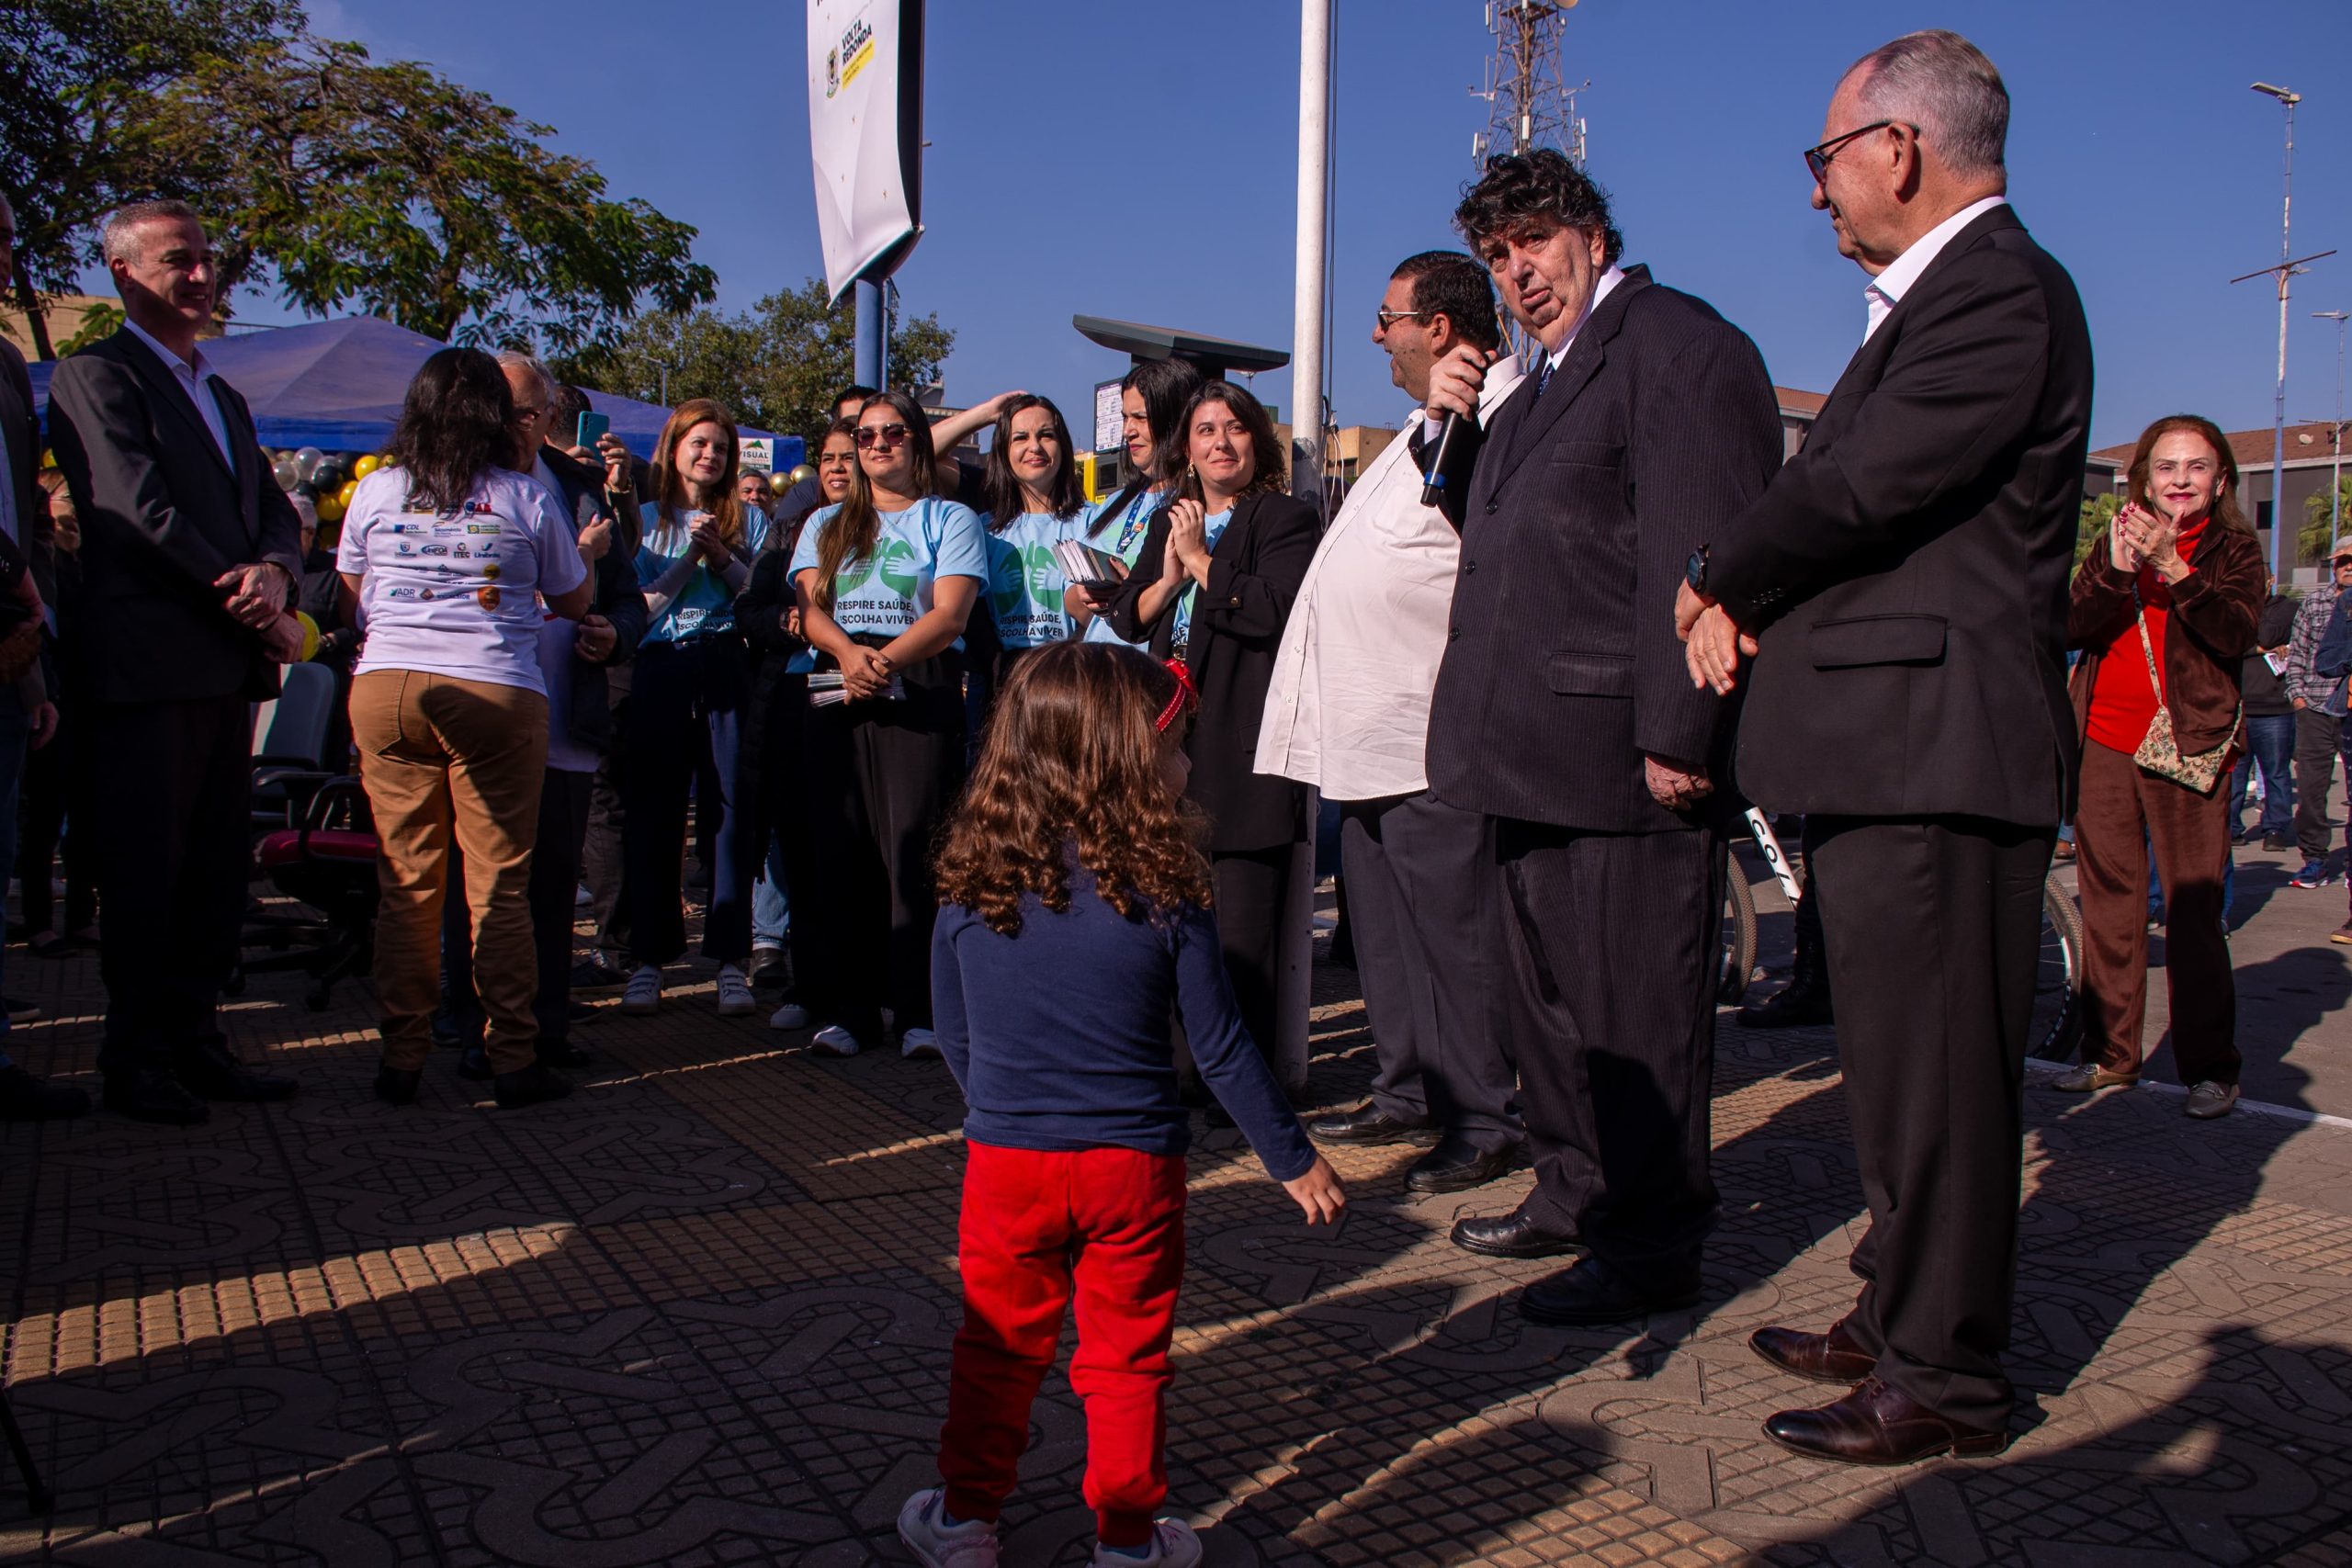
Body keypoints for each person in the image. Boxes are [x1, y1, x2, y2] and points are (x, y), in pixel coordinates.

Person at [1676, 31, 2093, 1464]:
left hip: (1936, 748)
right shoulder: (1942, 296)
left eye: (1827, 156)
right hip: (1887, 743)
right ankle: (1896, 1309)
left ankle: (1945, 1374)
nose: (1817, 192)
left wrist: (1718, 571)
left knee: (1942, 1083)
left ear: (1901, 149)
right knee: (1899, 1070)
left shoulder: (1999, 289)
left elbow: (1863, 482)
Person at [1422, 150, 1780, 1321]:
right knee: (1550, 1012)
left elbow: (1697, 552)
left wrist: (1680, 733)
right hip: (1524, 756)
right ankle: (1573, 1192)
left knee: (1637, 1016)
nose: (1516, 272)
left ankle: (1650, 1245)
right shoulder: (1537, 383)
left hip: (1624, 761)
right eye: (1496, 255)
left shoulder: (1676, 347)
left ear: (1590, 233)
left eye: (1533, 240)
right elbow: (1512, 535)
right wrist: (1450, 427)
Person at [900, 641, 1344, 1568]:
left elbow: (955, 1035)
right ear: (1123, 764)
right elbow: (1220, 1046)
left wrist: (1002, 1112)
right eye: (1175, 746)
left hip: (1008, 1166)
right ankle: (1130, 1542)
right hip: (1136, 1170)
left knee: (998, 1348)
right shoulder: (1170, 890)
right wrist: (1291, 1156)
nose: (1189, 761)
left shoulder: (969, 886)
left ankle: (965, 1522)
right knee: (1126, 1359)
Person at [1259, 251, 1526, 1193]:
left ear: (1439, 328)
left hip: (1427, 734)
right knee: (1385, 937)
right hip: (1365, 738)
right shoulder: (1420, 426)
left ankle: (1484, 1116)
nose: (1377, 335)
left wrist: (1464, 417)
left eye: (1388, 318)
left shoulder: (1497, 418)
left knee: (1455, 940)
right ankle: (1408, 1085)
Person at [46, 198, 306, 1124]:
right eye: (176, 261)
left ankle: (198, 1039)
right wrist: (240, 589)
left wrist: (278, 570)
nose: (200, 276)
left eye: (205, 258)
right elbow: (132, 505)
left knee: (212, 873)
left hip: (225, 671)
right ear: (122, 272)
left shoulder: (223, 394)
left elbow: (272, 506)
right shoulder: (95, 374)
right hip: (147, 669)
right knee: (146, 873)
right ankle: (138, 1057)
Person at [335, 347, 594, 1109]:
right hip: (493, 689)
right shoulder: (523, 496)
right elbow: (574, 600)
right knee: (498, 887)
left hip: (386, 686)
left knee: (407, 883)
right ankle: (512, 1056)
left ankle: (401, 1057)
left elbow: (353, 593)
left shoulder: (376, 489)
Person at [437, 352, 647, 1079]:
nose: (513, 425)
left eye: (528, 411)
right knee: (481, 882)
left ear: (551, 416)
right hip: (480, 713)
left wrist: (614, 632)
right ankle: (475, 1026)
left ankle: (544, 1028)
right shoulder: (447, 486)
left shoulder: (578, 488)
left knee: (555, 883)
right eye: (501, 411)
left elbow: (625, 595)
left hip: (566, 717)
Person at [1107, 381, 1320, 1081]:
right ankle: (1179, 1072)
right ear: (1186, 447)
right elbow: (1127, 615)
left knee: (1240, 936)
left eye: (1235, 428)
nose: (1221, 442)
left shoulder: (1285, 518)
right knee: (1170, 923)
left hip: (1243, 752)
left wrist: (1202, 560)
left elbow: (1273, 611)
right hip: (1169, 751)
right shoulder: (1174, 515)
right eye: (1205, 430)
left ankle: (1241, 1087)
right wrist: (1171, 575)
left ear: (1257, 441)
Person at [2058, 416, 2262, 1115]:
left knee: (2193, 908)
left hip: (2190, 741)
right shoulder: (2114, 542)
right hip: (2103, 742)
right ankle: (2110, 1054)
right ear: (2144, 478)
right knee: (2109, 906)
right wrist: (2119, 570)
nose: (2180, 480)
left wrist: (2176, 569)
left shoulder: (2234, 549)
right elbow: (2070, 625)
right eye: (2166, 467)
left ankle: (2210, 1068)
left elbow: (2235, 633)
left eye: (2196, 467)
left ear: (2221, 480)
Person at [790, 390, 988, 1057]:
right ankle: (853, 1010)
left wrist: (880, 662)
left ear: (918, 441)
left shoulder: (950, 517)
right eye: (866, 435)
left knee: (914, 848)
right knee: (841, 849)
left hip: (919, 682)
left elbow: (950, 614)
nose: (878, 445)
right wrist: (849, 657)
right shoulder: (824, 522)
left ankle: (919, 1012)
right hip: (836, 681)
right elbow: (809, 608)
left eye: (893, 433)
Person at [607, 399, 766, 1018]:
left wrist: (723, 557)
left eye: (721, 447)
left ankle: (730, 959)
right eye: (699, 443)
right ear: (673, 448)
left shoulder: (749, 519)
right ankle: (649, 958)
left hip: (726, 663)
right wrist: (691, 557)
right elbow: (640, 606)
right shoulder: (643, 520)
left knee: (731, 812)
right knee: (655, 812)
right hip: (660, 666)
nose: (710, 455)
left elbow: (759, 597)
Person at [0, 189, 83, 1122]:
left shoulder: (6, 368)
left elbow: (17, 525)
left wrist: (29, 665)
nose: (3, 256)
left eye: (8, 241)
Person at [1070, 358, 1204, 649]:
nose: (1128, 431)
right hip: (1100, 664)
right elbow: (1072, 604)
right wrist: (1087, 594)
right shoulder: (1114, 503)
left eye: (1141, 418)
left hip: (1151, 666)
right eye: (1125, 418)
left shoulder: (1196, 508)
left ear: (1175, 420)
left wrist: (1136, 597)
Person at [977, 394, 1089, 692]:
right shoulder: (981, 529)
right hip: (1001, 682)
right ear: (1003, 450)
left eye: (1046, 435)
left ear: (1063, 445)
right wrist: (986, 413)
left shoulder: (1093, 520)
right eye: (1020, 437)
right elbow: (918, 457)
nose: (1035, 447)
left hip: (1072, 678)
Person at [2284, 548, 2352, 886]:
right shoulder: (2314, 603)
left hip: (2349, 707)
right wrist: (2297, 697)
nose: (2348, 568)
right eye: (2342, 562)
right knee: (2311, 789)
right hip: (2315, 707)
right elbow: (2297, 653)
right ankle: (2314, 859)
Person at [2230, 573, 2298, 848]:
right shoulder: (2233, 608)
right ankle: (2231, 828)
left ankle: (2275, 828)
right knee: (2234, 774)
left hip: (2274, 706)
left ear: (2270, 580)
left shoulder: (2286, 607)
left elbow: (2268, 634)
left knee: (2276, 773)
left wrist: (2250, 645)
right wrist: (2258, 648)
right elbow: (2227, 645)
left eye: (2260, 578)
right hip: (2237, 707)